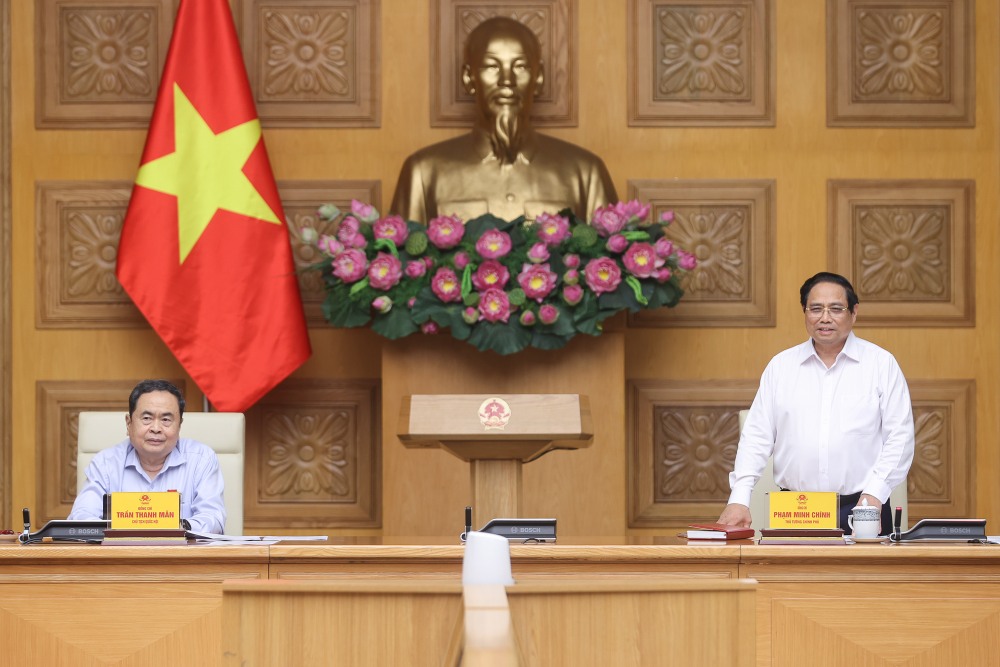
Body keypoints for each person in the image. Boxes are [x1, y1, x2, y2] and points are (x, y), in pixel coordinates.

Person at [718, 272, 915, 535]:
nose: (825, 318)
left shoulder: (881, 365)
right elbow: (756, 437)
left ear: (854, 313)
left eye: (836, 309)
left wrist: (875, 495)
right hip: (796, 510)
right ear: (805, 312)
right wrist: (739, 499)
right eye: (815, 309)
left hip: (862, 507)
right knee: (795, 578)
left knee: (864, 578)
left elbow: (899, 438)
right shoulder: (781, 367)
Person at [390, 16, 617, 224]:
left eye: (520, 66)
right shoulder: (423, 172)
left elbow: (612, 263)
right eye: (491, 66)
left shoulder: (586, 173)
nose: (506, 80)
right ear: (469, 78)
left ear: (538, 78)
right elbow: (403, 263)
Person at [69, 379, 226, 534]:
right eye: (147, 418)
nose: (156, 428)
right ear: (129, 423)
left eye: (166, 420)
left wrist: (177, 528)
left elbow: (213, 519)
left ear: (179, 425)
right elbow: (81, 518)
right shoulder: (105, 463)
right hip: (121, 556)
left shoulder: (201, 459)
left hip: (181, 556)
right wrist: (124, 529)